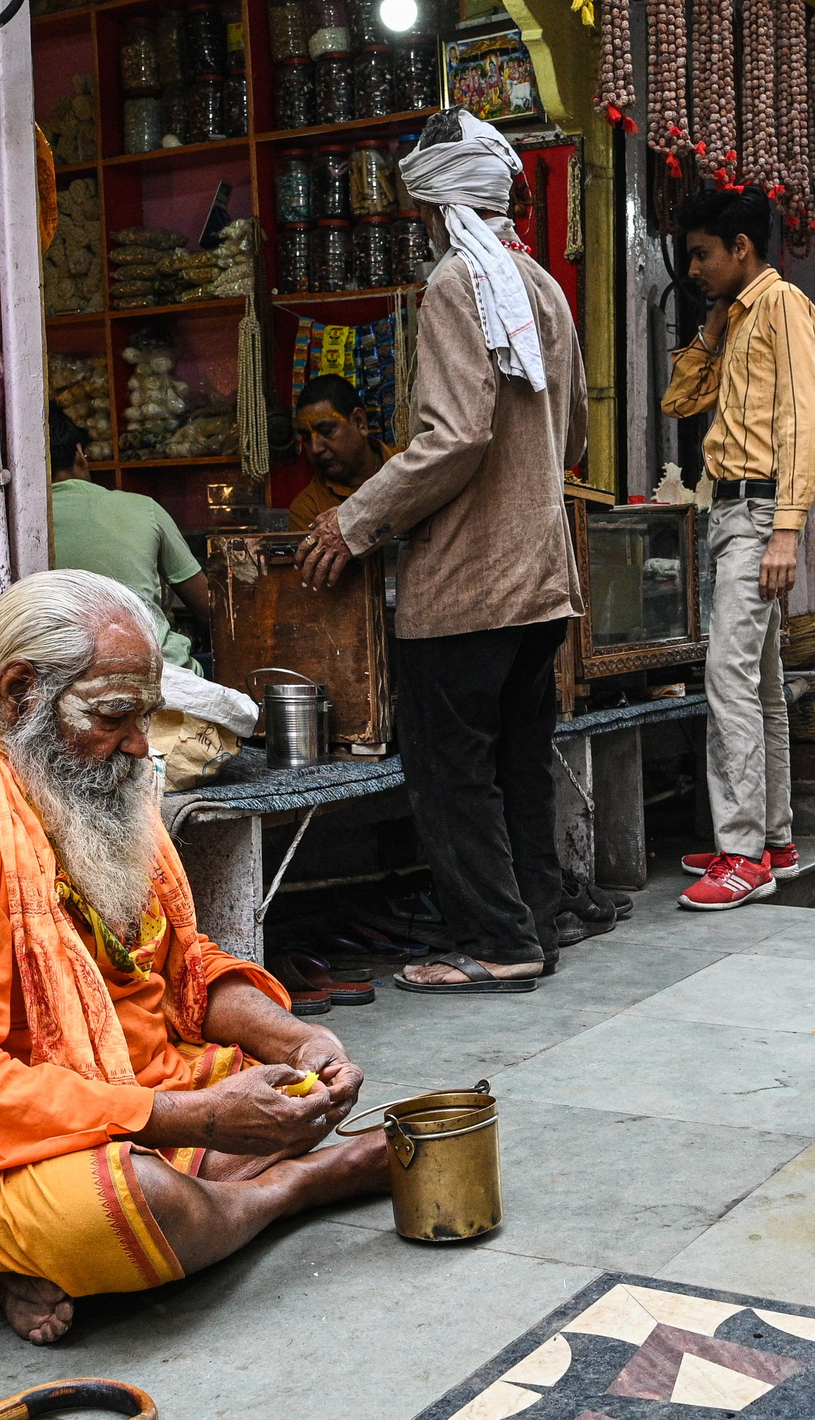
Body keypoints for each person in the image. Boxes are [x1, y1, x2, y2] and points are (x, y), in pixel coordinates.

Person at [0, 571, 388, 1344]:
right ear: (20, 692)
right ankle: (294, 1191)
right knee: (128, 1199)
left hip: (87, 1096)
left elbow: (180, 967)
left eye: (146, 715)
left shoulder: (102, 786)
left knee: (287, 1100)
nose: (138, 744)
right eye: (114, 715)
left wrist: (297, 1043)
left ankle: (40, 1252)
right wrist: (193, 1118)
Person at [294, 108, 588, 994]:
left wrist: (354, 519)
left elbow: (455, 436)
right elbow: (569, 438)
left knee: (453, 771)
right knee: (516, 766)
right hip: (540, 583)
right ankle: (532, 923)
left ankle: (496, 941)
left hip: (467, 587)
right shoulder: (541, 287)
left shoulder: (460, 285)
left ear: (437, 211)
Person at [660, 186, 815, 911]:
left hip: (760, 513)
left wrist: (786, 529)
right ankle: (775, 840)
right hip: (736, 514)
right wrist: (712, 325)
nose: (693, 267)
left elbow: (806, 419)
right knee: (758, 682)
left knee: (726, 676)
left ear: (741, 248)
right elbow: (678, 401)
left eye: (702, 254)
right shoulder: (738, 316)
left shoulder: (783, 306)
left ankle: (740, 853)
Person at [47, 412, 215, 672]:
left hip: (65, 674)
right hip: (158, 671)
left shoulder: (19, 523)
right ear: (80, 455)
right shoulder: (143, 508)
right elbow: (208, 608)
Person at [285, 373, 395, 531]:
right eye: (307, 438)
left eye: (327, 431)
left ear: (359, 422)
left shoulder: (413, 465)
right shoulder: (308, 509)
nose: (316, 448)